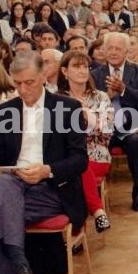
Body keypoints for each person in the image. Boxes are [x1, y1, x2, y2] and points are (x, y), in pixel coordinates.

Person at [0, 52, 88, 274]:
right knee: (2, 186)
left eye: (29, 82)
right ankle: (18, 269)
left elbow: (80, 161)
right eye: (18, 84)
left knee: (5, 213)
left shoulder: (67, 108)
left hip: (51, 190)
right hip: (14, 185)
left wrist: (47, 171)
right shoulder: (7, 111)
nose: (24, 89)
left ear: (44, 76)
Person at [91, 32, 138, 211]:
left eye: (118, 49)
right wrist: (107, 97)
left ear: (127, 51)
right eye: (109, 48)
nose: (113, 52)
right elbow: (90, 105)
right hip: (105, 127)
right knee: (94, 145)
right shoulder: (96, 74)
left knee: (135, 142)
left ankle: (137, 189)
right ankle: (94, 196)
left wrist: (124, 90)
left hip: (133, 125)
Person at [58, 51, 113, 232]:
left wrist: (84, 112)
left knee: (79, 165)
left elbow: (107, 133)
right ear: (64, 71)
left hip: (96, 154)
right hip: (65, 156)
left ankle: (88, 220)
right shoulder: (58, 99)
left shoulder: (100, 97)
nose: (82, 71)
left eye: (85, 67)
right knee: (74, 166)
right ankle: (97, 213)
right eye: (76, 66)